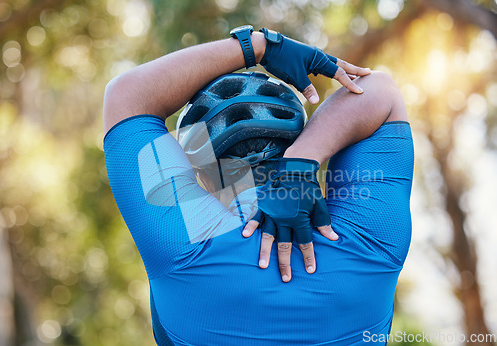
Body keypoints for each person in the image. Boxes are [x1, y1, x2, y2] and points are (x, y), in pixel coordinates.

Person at [103, 26, 414, 345]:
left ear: (202, 177)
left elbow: (126, 96)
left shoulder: (181, 252)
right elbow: (380, 90)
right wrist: (301, 159)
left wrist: (259, 48)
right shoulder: (372, 245)